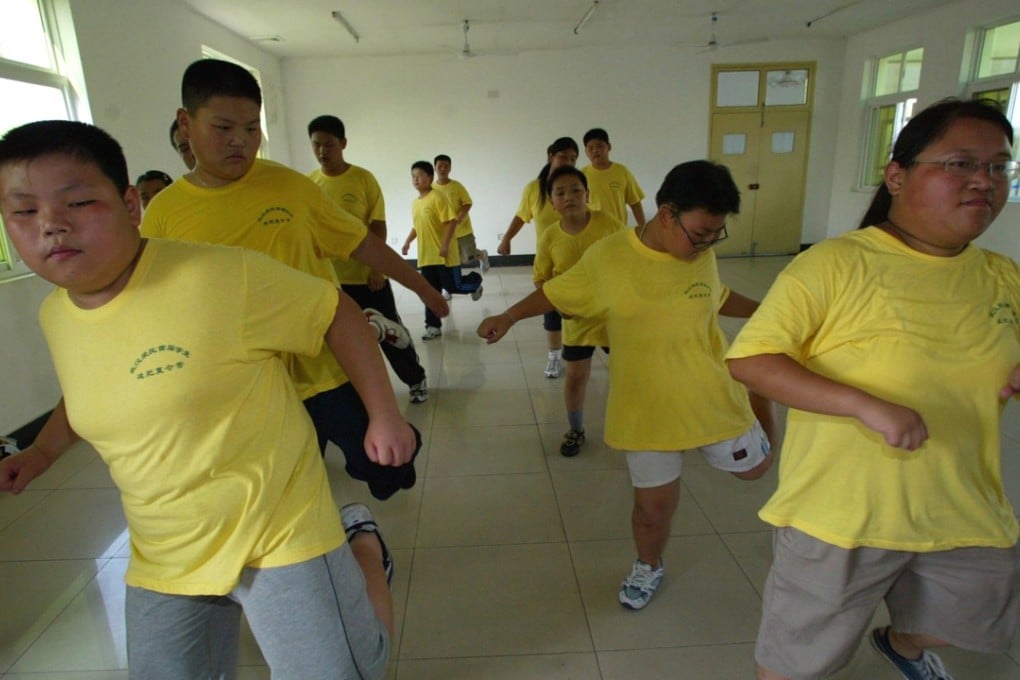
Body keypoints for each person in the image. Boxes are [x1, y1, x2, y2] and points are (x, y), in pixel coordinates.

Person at [0, 119, 405, 679]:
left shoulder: (217, 276)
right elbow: (90, 389)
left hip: (276, 527)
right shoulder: (56, 314)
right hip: (165, 544)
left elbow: (333, 311)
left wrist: (384, 417)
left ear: (130, 204)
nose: (51, 226)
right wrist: (38, 456)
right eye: (23, 212)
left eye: (79, 202)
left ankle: (361, 549)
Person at [726, 98, 1020, 680]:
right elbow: (753, 360)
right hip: (843, 514)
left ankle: (901, 643)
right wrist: (864, 405)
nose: (983, 182)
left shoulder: (1003, 275)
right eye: (960, 164)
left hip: (961, 504)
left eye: (998, 167)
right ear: (897, 175)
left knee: (973, 621)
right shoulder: (833, 265)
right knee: (795, 667)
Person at [143, 58, 448, 500]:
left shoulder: (290, 188)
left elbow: (362, 242)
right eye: (224, 127)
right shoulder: (165, 215)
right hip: (251, 382)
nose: (240, 143)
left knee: (386, 471)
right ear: (185, 123)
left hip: (325, 362)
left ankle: (377, 352)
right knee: (285, 489)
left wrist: (423, 288)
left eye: (251, 129)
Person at [479, 160, 776, 610]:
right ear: (666, 213)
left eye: (716, 234)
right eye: (700, 233)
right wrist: (507, 315)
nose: (707, 243)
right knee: (652, 508)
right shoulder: (609, 258)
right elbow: (557, 292)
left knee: (754, 470)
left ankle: (760, 394)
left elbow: (716, 295)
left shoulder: (702, 253)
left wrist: (765, 311)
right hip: (646, 405)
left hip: (709, 392)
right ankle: (648, 564)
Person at [308, 114, 429, 404]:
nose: (323, 151)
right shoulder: (310, 184)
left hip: (365, 276)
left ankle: (415, 378)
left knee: (390, 333)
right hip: (330, 280)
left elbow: (377, 226)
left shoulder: (363, 179)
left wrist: (376, 269)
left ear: (343, 144)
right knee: (339, 339)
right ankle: (352, 390)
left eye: (329, 144)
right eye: (316, 145)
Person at [534, 166, 623, 457]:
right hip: (576, 320)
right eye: (560, 193)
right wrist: (560, 305)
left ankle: (636, 424)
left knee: (628, 372)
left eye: (575, 190)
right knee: (575, 377)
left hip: (613, 316)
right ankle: (575, 430)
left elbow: (630, 257)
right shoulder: (550, 237)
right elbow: (541, 279)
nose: (569, 197)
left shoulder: (607, 223)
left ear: (587, 194)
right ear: (552, 201)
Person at [498, 137, 579, 378]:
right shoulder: (534, 189)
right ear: (550, 156)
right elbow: (522, 216)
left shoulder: (579, 185)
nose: (569, 162)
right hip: (551, 263)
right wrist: (507, 239)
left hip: (579, 259)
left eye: (574, 158)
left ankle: (583, 354)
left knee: (585, 311)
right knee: (552, 310)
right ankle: (554, 357)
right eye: (564, 156)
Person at [402, 160, 483, 340]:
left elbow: (451, 222)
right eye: (413, 176)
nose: (416, 180)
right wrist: (407, 242)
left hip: (445, 255)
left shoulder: (438, 197)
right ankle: (432, 326)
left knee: (454, 285)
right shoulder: (415, 203)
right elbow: (416, 226)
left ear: (430, 178)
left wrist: (445, 245)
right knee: (430, 293)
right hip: (426, 256)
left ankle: (476, 281)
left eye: (420, 176)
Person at [433, 153, 490, 272]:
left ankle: (482, 255)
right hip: (445, 232)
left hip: (462, 230)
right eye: (440, 166)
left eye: (446, 166)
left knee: (467, 259)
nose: (443, 169)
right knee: (452, 258)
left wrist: (458, 218)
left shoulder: (457, 186)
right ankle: (450, 285)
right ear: (435, 168)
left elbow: (468, 203)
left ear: (450, 168)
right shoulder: (432, 189)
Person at [581, 127, 646, 227]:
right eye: (591, 148)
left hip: (618, 230)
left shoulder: (622, 171)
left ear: (609, 147)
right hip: (592, 232)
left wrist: (643, 227)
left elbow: (635, 202)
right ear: (586, 152)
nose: (595, 151)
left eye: (599, 146)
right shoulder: (581, 175)